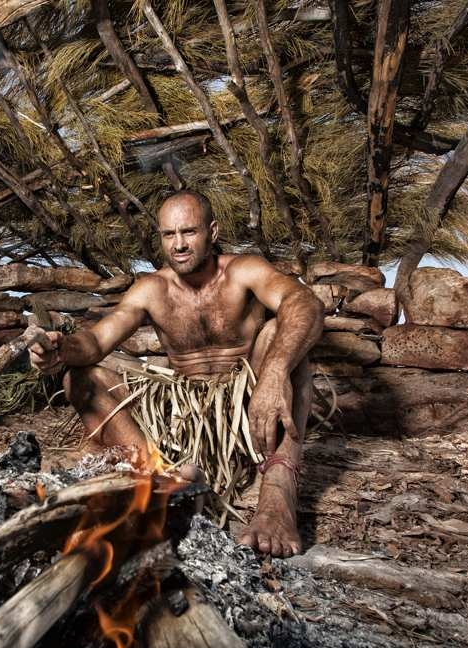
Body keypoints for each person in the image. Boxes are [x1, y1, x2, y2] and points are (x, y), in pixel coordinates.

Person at [29, 191, 324, 557]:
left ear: (212, 232)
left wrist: (275, 371)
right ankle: (165, 479)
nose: (179, 244)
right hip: (183, 416)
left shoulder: (243, 270)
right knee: (79, 378)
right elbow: (94, 343)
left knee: (284, 336)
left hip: (246, 407)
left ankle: (277, 498)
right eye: (169, 235)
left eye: (189, 232)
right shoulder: (152, 289)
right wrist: (60, 349)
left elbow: (305, 302)